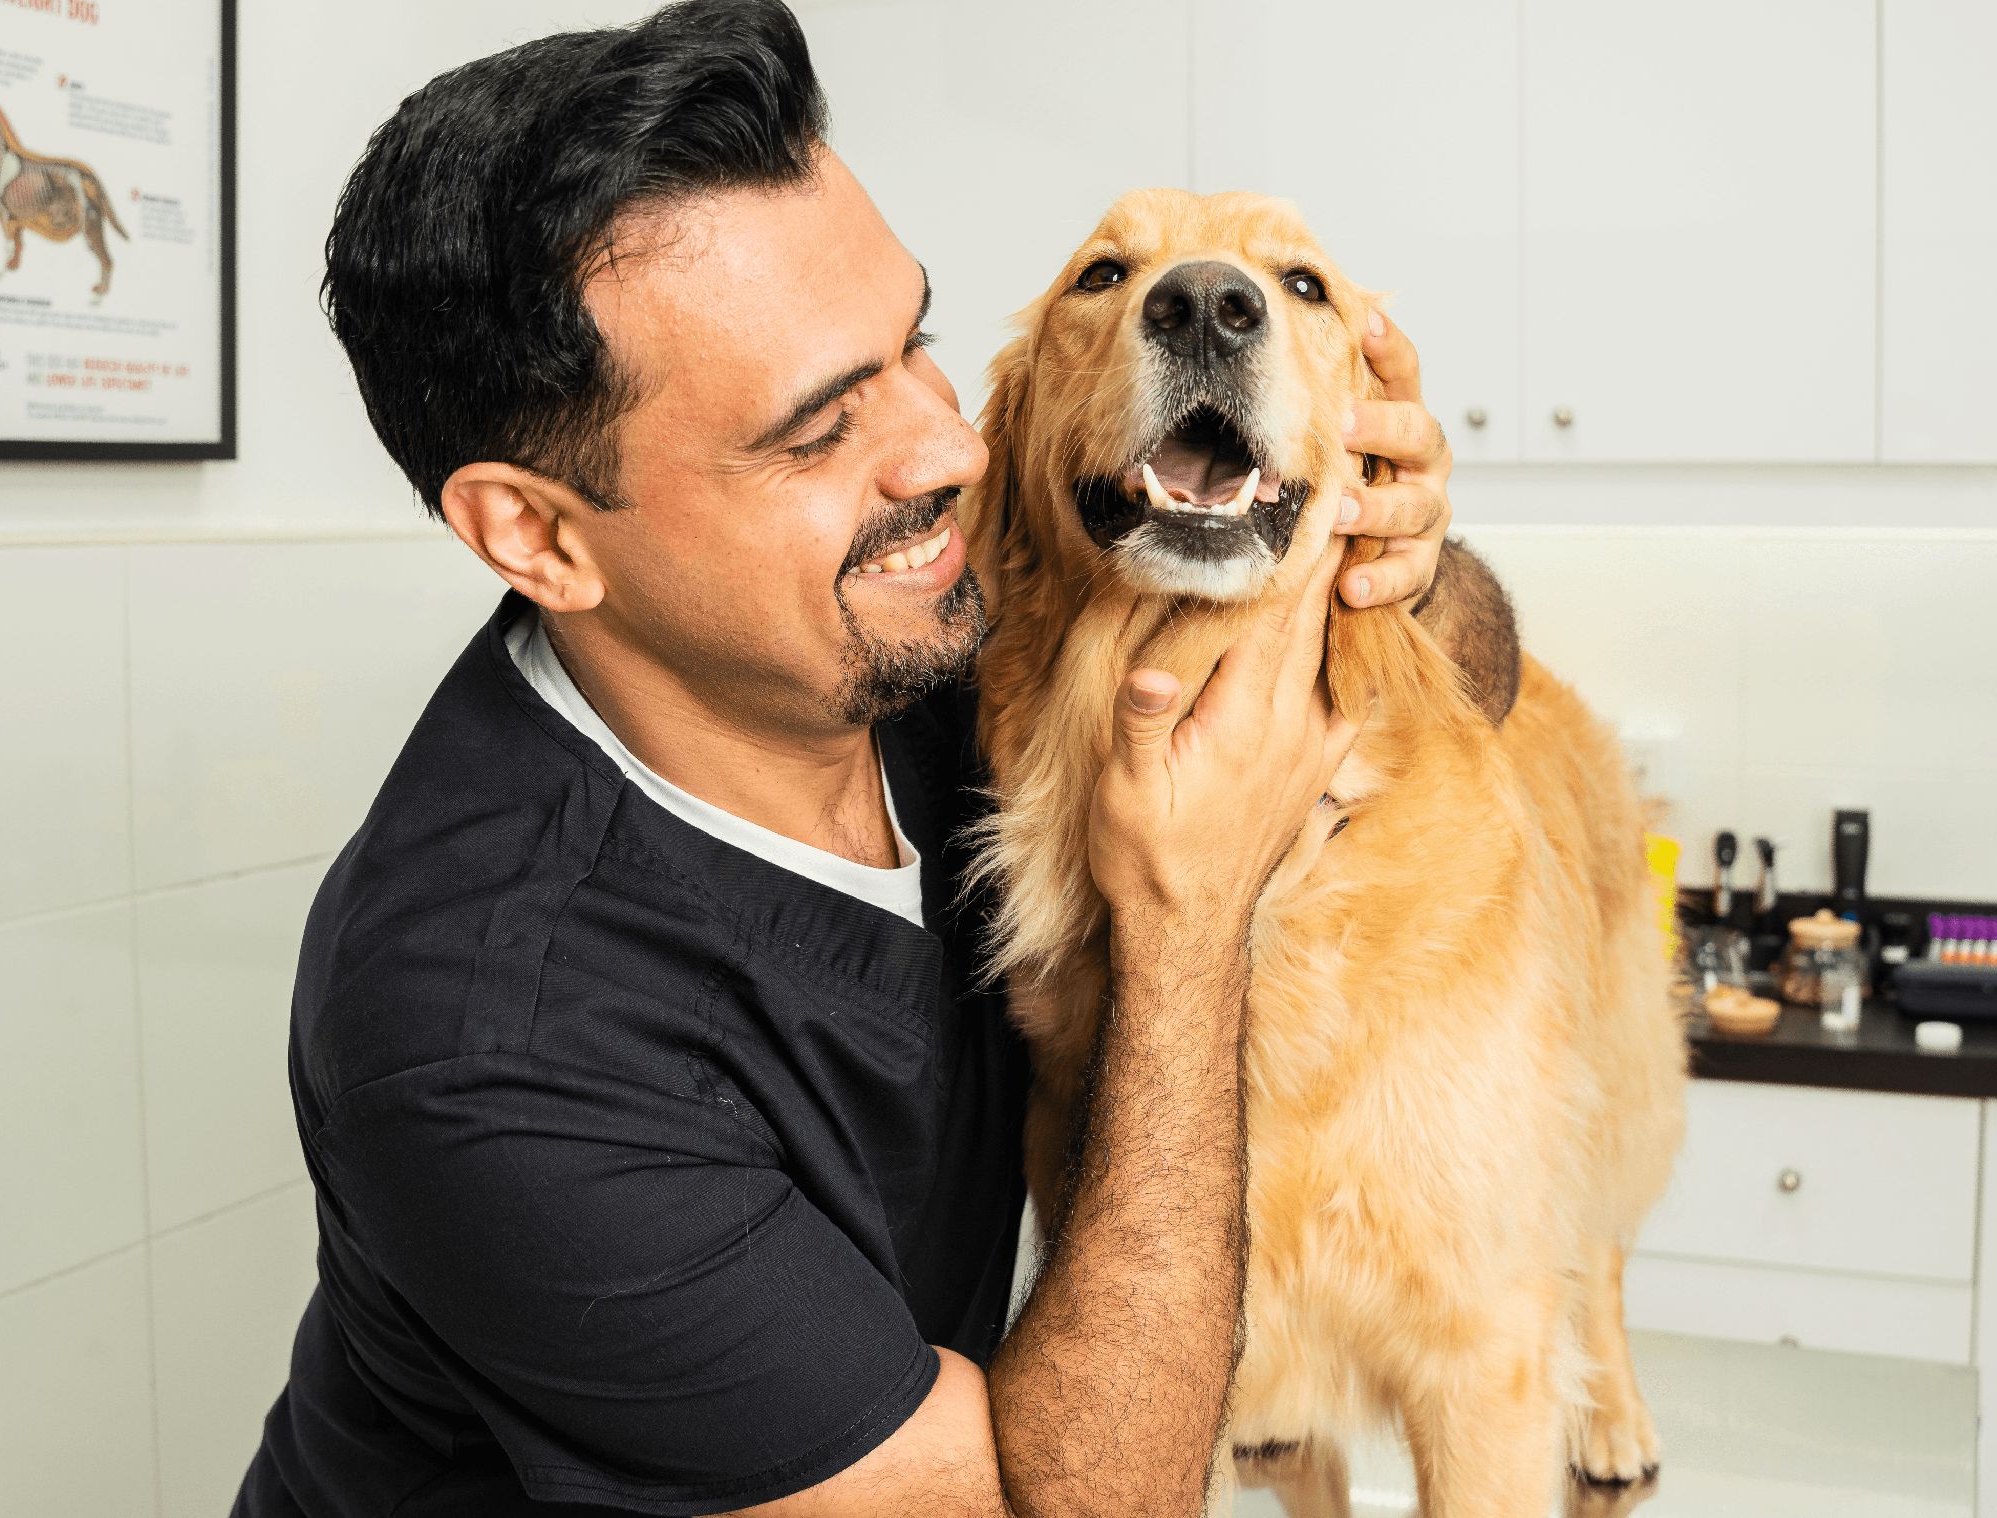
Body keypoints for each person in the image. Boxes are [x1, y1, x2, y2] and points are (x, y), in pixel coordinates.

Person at [234, 2, 1503, 1513]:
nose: (944, 449)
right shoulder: (489, 1042)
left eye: (913, 343)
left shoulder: (925, 625)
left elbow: (1460, 690)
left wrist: (1403, 566)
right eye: (817, 431)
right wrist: (1184, 929)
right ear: (539, 533)